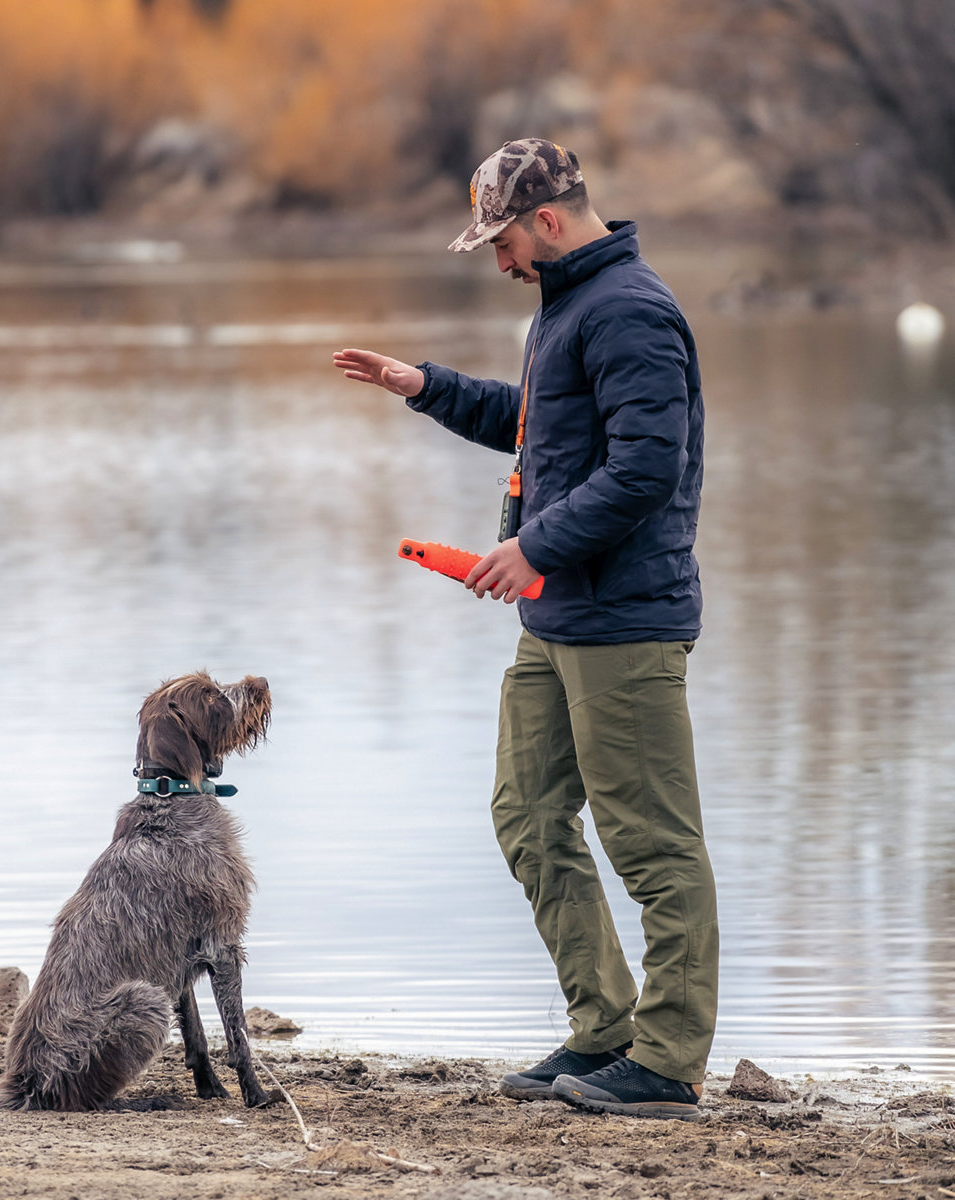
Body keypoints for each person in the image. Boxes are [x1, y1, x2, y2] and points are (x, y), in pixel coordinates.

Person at [333, 139, 718, 1122]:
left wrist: (534, 546)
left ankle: (668, 1062)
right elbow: (542, 428)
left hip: (623, 620)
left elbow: (644, 469)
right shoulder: (567, 309)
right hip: (559, 619)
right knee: (527, 814)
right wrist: (425, 387)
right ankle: (608, 1029)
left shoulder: (629, 311)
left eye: (501, 243)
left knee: (652, 841)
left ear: (546, 223)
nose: (498, 264)